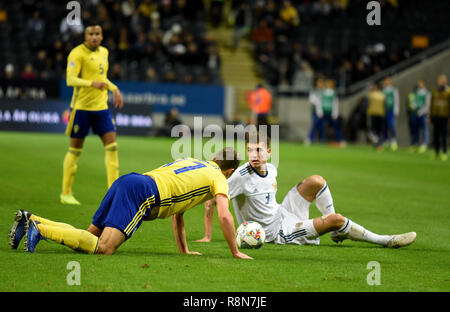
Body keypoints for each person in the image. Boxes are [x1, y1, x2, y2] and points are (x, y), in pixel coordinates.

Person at [8, 148, 252, 259]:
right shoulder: (219, 178)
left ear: (212, 158)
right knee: (104, 248)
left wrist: (184, 251)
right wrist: (235, 251)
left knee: (90, 235)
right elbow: (225, 216)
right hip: (143, 194)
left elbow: (178, 213)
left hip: (129, 180)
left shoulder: (193, 161)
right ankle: (41, 231)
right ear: (230, 171)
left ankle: (32, 220)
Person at [195, 131, 416, 248]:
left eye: (259, 150)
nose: (254, 155)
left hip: (283, 213)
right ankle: (384, 240)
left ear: (269, 152)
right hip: (278, 233)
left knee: (317, 180)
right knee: (337, 219)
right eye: (250, 150)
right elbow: (211, 200)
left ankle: (337, 231)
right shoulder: (240, 177)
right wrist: (207, 235)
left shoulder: (271, 169)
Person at [61, 24, 124, 205]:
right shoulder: (77, 53)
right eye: (91, 34)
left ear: (102, 36)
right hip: (81, 108)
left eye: (97, 34)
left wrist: (114, 88)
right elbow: (70, 79)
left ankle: (113, 191)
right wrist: (91, 83)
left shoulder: (104, 52)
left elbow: (102, 79)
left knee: (112, 146)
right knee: (75, 149)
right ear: (85, 36)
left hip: (101, 109)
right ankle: (66, 193)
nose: (94, 37)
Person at [317, 79, 345, 146]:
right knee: (321, 126)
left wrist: (335, 112)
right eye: (327, 84)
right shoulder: (323, 92)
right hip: (323, 112)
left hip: (331, 112)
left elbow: (335, 103)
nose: (328, 85)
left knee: (336, 126)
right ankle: (321, 140)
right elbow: (320, 102)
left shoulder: (333, 93)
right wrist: (320, 111)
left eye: (329, 84)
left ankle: (341, 140)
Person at [430, 74, 450, 161]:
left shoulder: (448, 91)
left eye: (443, 80)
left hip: (445, 116)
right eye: (440, 80)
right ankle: (436, 152)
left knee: (444, 135)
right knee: (436, 135)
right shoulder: (435, 91)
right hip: (436, 116)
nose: (442, 81)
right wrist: (430, 115)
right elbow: (431, 104)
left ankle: (445, 152)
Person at [410, 79, 431, 153]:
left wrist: (421, 112)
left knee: (424, 129)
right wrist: (413, 106)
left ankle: (424, 144)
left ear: (424, 84)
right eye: (419, 83)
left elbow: (427, 105)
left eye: (421, 83)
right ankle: (415, 143)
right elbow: (413, 101)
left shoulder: (427, 93)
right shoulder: (416, 92)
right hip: (415, 113)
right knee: (415, 129)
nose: (419, 84)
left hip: (423, 114)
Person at [366, 82, 386, 151]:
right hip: (381, 114)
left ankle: (377, 142)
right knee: (379, 130)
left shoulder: (371, 95)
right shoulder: (383, 95)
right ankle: (379, 144)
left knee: (373, 130)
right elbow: (384, 105)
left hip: (373, 114)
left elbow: (367, 104)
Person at [382, 76, 400, 150]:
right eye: (385, 80)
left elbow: (396, 100)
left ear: (390, 81)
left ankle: (394, 141)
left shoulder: (394, 90)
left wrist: (396, 110)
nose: (387, 82)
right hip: (383, 110)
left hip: (391, 110)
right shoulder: (383, 90)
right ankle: (386, 141)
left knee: (391, 125)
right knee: (384, 126)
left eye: (388, 80)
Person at [305, 76, 324, 145]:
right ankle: (310, 139)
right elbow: (311, 100)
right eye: (319, 82)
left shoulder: (324, 91)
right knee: (314, 125)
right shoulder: (314, 90)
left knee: (322, 126)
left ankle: (322, 140)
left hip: (323, 111)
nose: (320, 84)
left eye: (321, 83)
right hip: (315, 111)